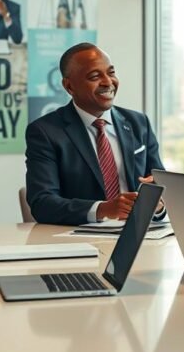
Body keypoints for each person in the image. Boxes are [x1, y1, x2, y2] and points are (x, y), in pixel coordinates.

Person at [25, 43, 164, 225]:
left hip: (140, 234)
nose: (108, 82)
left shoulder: (138, 123)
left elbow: (160, 183)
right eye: (94, 76)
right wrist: (104, 209)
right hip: (80, 240)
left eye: (111, 72)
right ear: (69, 86)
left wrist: (158, 205)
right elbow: (42, 203)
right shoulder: (45, 132)